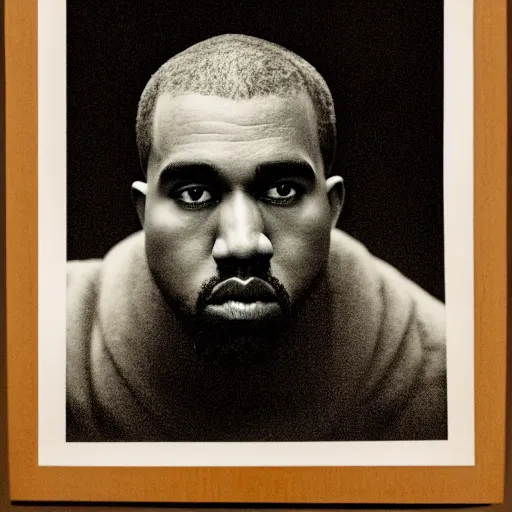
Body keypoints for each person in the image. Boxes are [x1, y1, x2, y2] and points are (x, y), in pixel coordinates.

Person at [66, 34, 446, 442]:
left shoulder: (453, 374)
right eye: (194, 194)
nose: (243, 244)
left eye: (282, 191)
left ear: (332, 208)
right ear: (144, 212)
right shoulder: (37, 350)